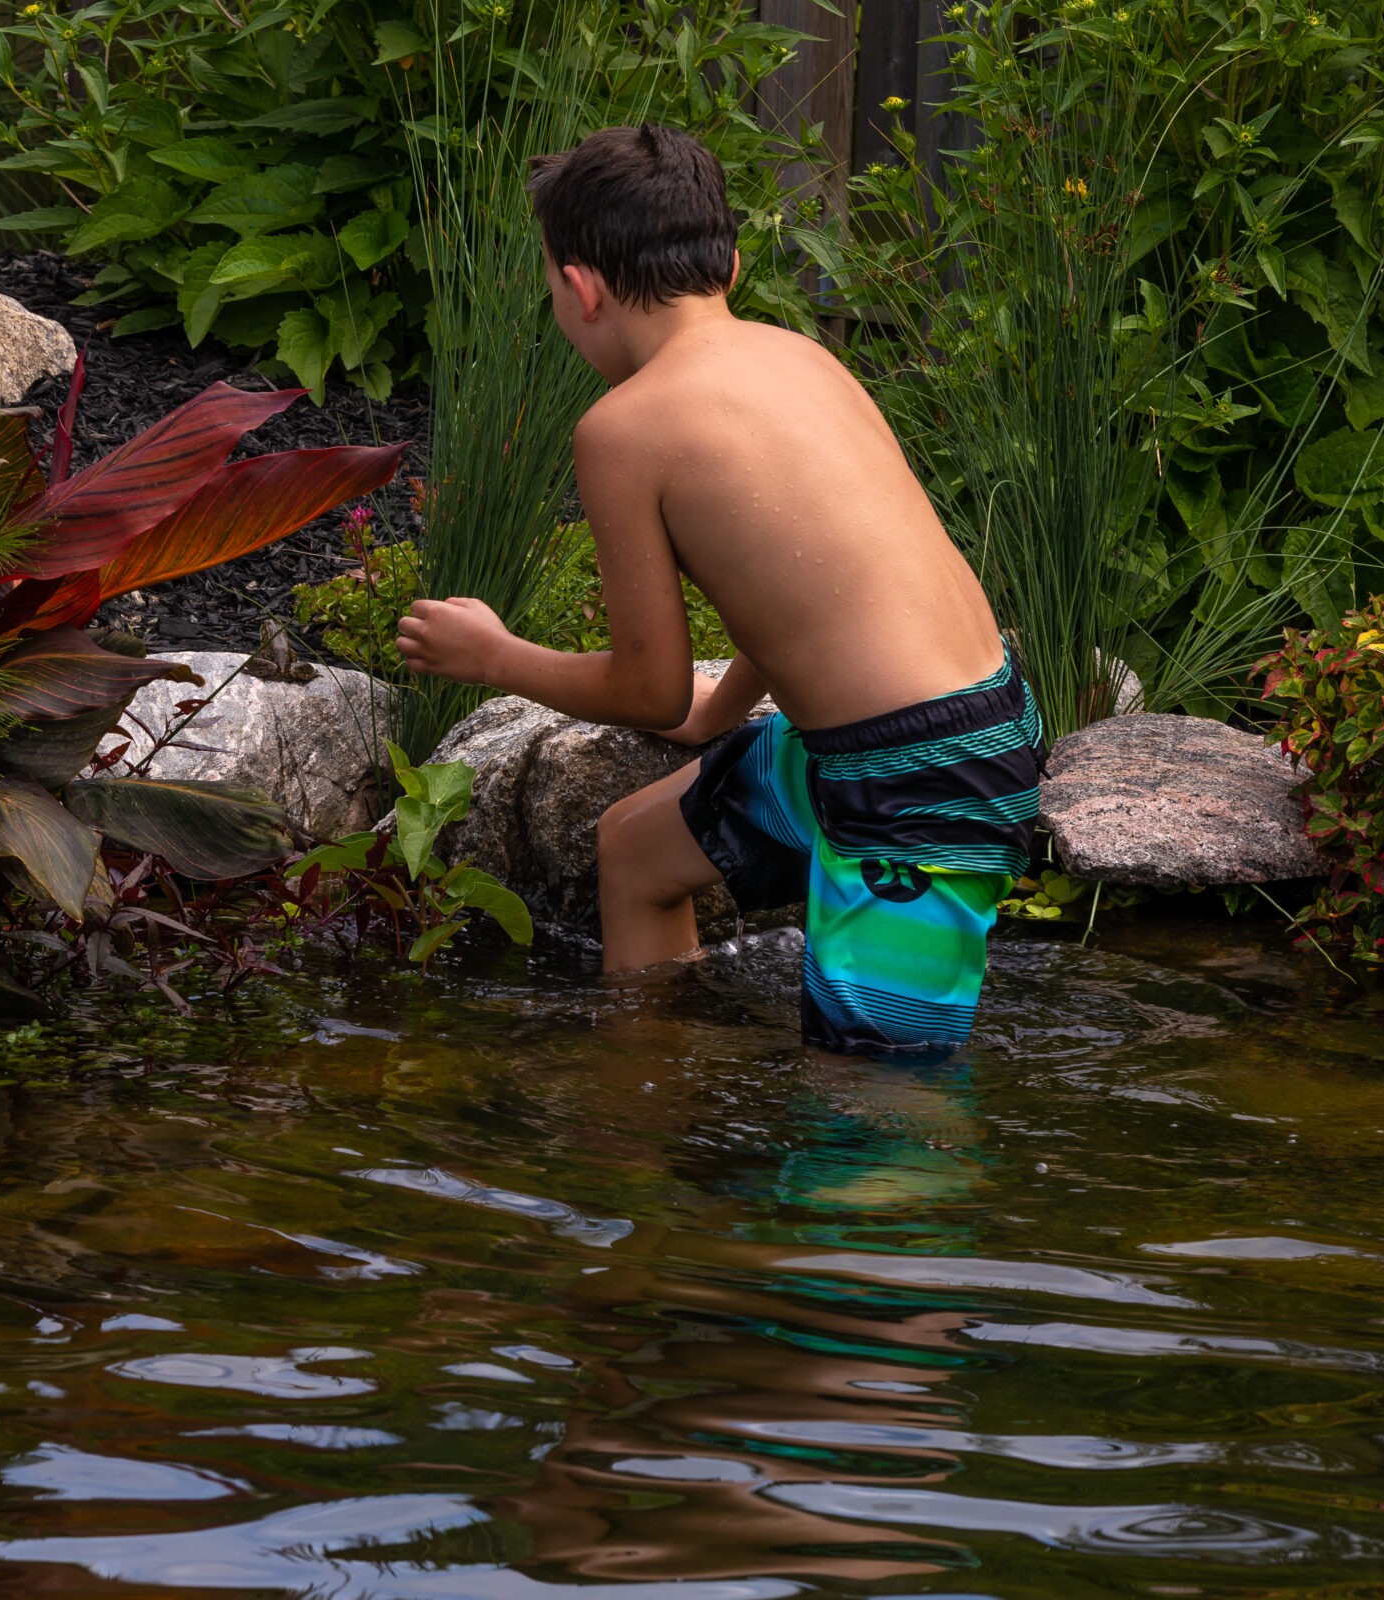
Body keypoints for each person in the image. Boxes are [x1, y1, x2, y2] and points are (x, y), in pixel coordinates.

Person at [395, 123, 1045, 1058]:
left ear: (580, 289)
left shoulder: (623, 430)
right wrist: (715, 720)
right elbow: (810, 586)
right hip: (941, 734)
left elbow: (646, 689)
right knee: (638, 855)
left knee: (876, 1119)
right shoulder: (801, 357)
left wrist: (494, 656)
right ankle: (648, 1132)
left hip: (919, 788)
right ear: (731, 267)